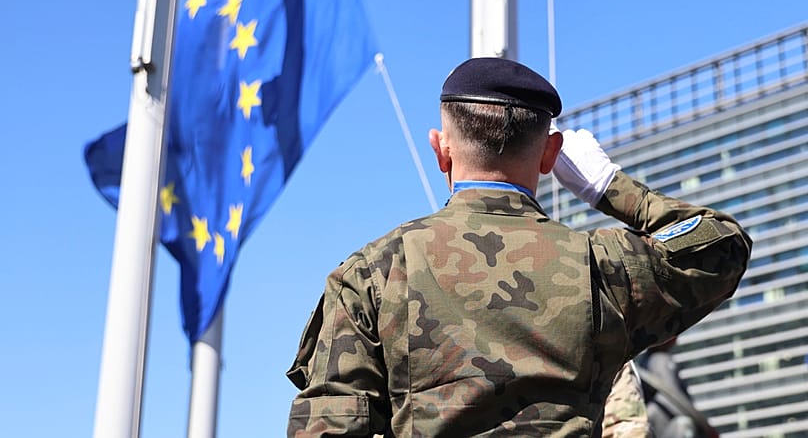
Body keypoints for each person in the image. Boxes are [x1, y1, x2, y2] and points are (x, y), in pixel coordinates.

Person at [286, 57, 751, 437]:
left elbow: (328, 429)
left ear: (441, 149)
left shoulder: (372, 275)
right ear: (551, 155)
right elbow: (722, 246)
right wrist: (609, 186)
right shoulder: (600, 268)